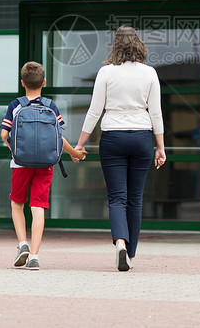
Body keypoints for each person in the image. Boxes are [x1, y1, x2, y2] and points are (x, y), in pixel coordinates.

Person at [76, 26, 166, 272]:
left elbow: (95, 111)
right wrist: (161, 147)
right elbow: (156, 113)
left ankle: (120, 244)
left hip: (113, 137)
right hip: (142, 136)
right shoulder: (150, 73)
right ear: (139, 45)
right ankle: (131, 256)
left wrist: (81, 143)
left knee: (117, 197)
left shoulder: (106, 72)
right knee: (135, 199)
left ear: (115, 46)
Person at [0, 61, 84, 271]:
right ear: (44, 82)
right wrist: (74, 153)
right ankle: (35, 256)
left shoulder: (15, 105)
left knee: (17, 203)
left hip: (20, 164)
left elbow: (4, 134)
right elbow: (59, 137)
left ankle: (23, 244)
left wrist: (14, 148)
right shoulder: (50, 106)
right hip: (46, 164)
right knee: (38, 207)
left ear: (22, 83)